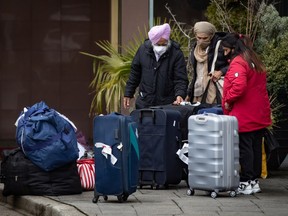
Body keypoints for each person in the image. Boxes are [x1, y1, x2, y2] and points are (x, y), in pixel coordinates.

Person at [221, 33, 272, 195]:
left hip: (244, 113)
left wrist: (228, 99)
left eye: (225, 49)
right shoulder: (254, 60)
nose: (224, 53)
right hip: (259, 112)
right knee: (256, 146)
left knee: (245, 148)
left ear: (233, 48)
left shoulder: (238, 62)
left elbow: (239, 86)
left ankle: (245, 181)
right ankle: (254, 181)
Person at [123, 23, 188, 109]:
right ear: (152, 42)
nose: (160, 47)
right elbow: (134, 74)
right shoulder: (143, 50)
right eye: (158, 44)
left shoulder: (176, 53)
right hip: (145, 102)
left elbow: (180, 78)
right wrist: (128, 93)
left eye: (164, 44)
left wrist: (180, 94)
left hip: (167, 104)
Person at [186, 21, 229, 104]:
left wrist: (221, 72)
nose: (201, 41)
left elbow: (235, 64)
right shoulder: (195, 48)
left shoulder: (221, 46)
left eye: (205, 38)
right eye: (199, 37)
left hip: (213, 92)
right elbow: (196, 74)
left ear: (211, 35)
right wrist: (189, 93)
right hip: (197, 92)